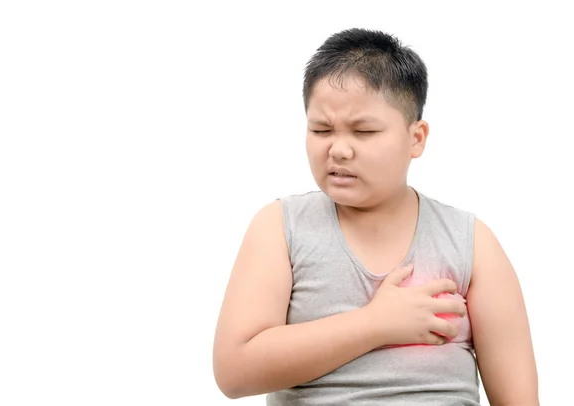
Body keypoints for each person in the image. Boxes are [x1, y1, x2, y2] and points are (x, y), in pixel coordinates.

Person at [212, 28, 539, 405]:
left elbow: (519, 400)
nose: (339, 149)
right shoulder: (280, 228)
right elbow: (234, 373)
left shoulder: (470, 242)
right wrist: (376, 324)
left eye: (363, 131)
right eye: (321, 129)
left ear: (416, 138)